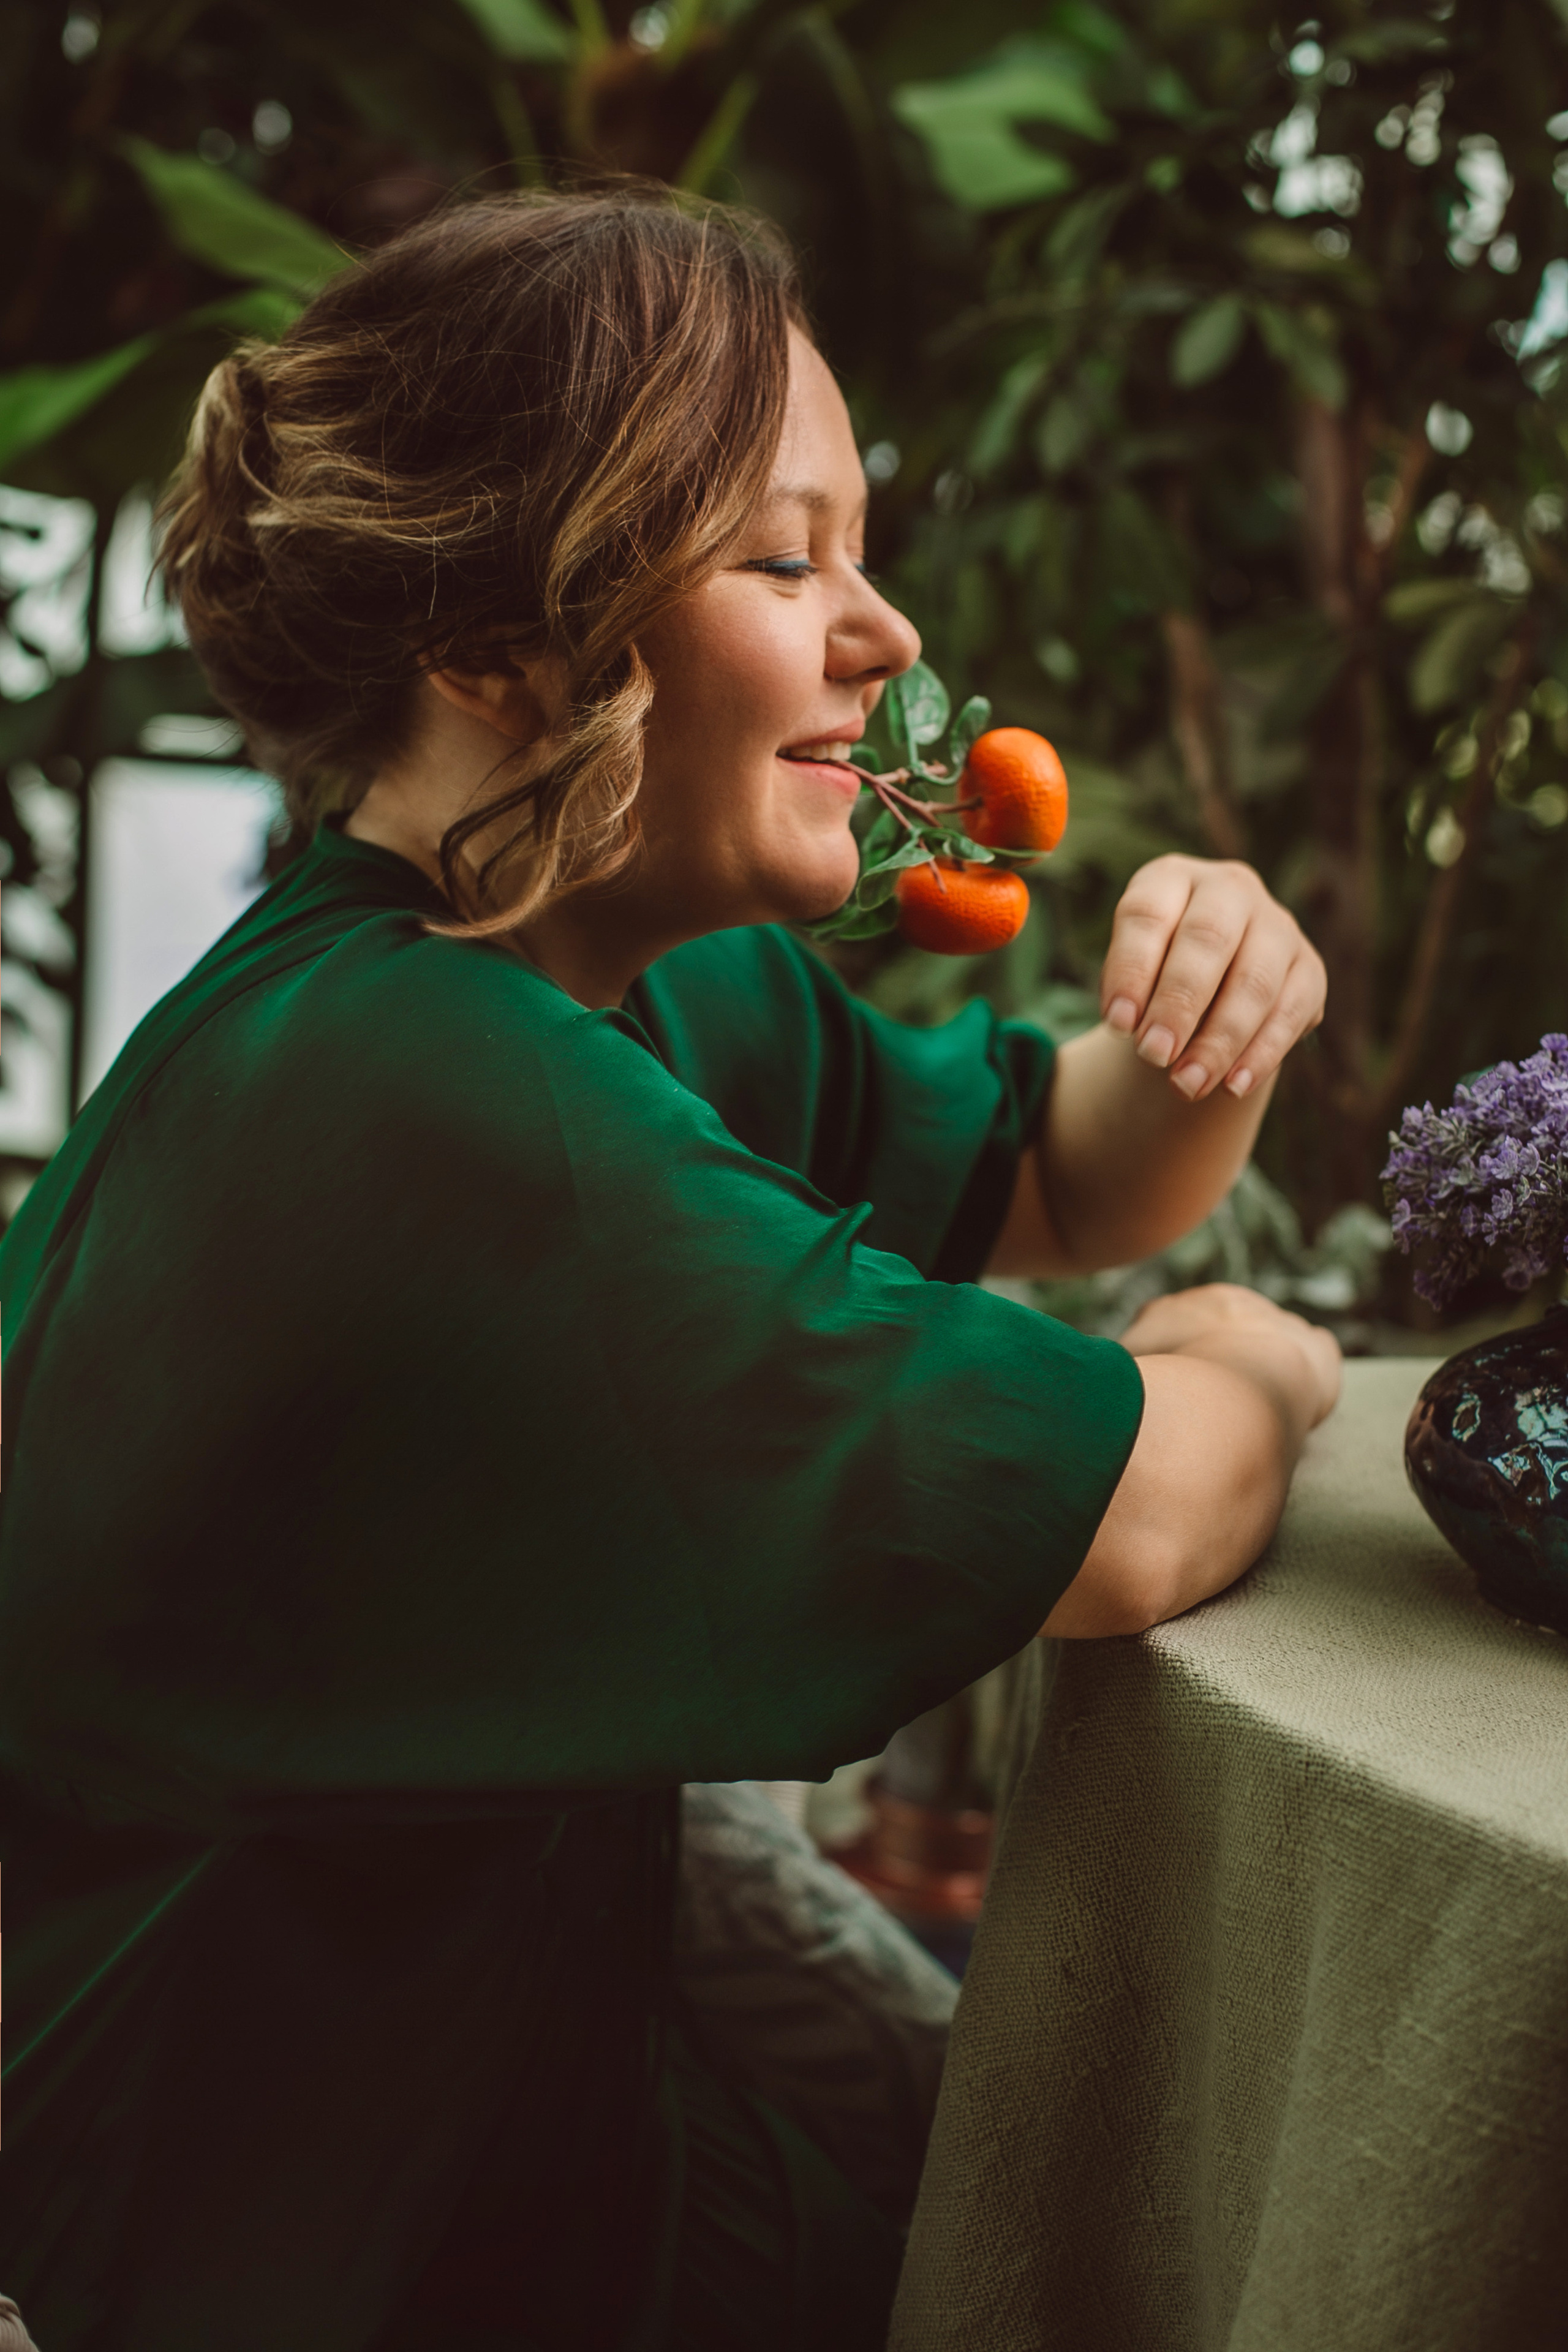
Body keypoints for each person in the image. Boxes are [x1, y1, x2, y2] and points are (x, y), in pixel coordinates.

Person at [0, 186, 1339, 2351]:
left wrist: (1210, 1010)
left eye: (859, 545)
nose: (884, 633)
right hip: (299, 2248)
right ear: (498, 647)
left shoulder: (595, 973)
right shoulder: (433, 1090)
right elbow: (1137, 1519)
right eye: (782, 558)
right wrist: (1253, 1364)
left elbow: (1067, 1173)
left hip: (508, 2114)